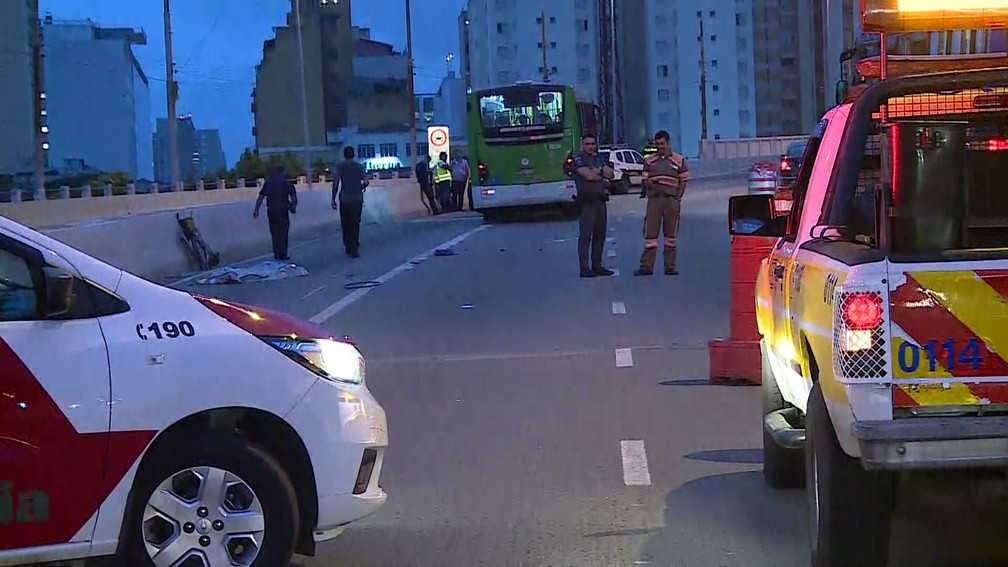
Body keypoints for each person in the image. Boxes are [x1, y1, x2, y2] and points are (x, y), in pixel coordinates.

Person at [635, 130, 690, 276]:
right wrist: (649, 183)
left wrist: (678, 197)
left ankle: (670, 267)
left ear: (668, 143)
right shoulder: (649, 161)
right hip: (654, 200)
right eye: (657, 144)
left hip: (671, 200)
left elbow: (684, 180)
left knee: (670, 236)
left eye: (662, 144)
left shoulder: (678, 160)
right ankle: (646, 267)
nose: (659, 146)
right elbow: (645, 179)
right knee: (650, 236)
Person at [572, 133, 615, 278]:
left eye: (592, 144)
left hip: (600, 201)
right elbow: (588, 176)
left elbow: (611, 174)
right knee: (585, 236)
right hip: (587, 203)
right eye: (587, 144)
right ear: (582, 145)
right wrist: (600, 172)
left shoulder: (599, 158)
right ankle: (584, 268)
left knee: (600, 235)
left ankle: (597, 265)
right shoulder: (578, 160)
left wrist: (599, 172)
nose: (590, 147)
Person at [253, 165, 297, 261]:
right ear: (283, 172)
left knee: (274, 232)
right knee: (283, 232)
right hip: (283, 210)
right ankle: (283, 253)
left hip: (272, 210)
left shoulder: (269, 182)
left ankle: (277, 253)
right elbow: (293, 198)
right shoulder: (287, 183)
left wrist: (256, 210)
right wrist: (292, 207)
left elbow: (261, 197)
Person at [332, 145, 369, 258]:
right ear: (353, 155)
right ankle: (354, 247)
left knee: (346, 223)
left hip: (345, 199)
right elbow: (366, 181)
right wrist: (361, 187)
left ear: (344, 155)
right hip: (357, 199)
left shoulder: (340, 167)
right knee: (355, 223)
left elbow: (336, 182)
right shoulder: (359, 167)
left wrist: (333, 198)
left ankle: (348, 246)